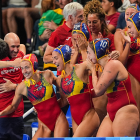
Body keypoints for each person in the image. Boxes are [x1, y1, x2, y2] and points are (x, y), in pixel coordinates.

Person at [0, 53, 69, 140]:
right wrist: (1, 113)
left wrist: (62, 100)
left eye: (27, 67)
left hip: (59, 120)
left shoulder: (47, 75)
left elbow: (62, 84)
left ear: (34, 65)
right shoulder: (22, 87)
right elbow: (13, 106)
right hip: (43, 125)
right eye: (22, 68)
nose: (24, 71)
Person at [86, 38, 139, 137]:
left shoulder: (113, 64)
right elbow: (100, 92)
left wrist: (93, 70)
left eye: (89, 53)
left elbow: (98, 90)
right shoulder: (105, 67)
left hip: (125, 111)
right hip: (111, 113)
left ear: (97, 53)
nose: (87, 56)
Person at [52, 45, 100, 137]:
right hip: (75, 119)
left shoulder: (80, 68)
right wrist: (46, 106)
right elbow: (64, 101)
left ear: (64, 56)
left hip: (89, 116)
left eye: (56, 58)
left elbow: (97, 60)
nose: (53, 62)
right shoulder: (60, 80)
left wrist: (113, 54)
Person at [0, 34, 25, 140]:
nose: (16, 50)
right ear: (5, 46)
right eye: (12, 47)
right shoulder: (9, 61)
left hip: (16, 114)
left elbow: (23, 46)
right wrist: (12, 64)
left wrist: (15, 86)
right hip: (1, 114)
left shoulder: (21, 56)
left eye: (17, 46)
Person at [43, 2, 84, 66]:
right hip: (67, 73)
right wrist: (65, 55)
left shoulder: (84, 28)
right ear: (70, 17)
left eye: (83, 16)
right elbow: (46, 58)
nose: (83, 19)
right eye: (80, 16)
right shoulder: (57, 33)